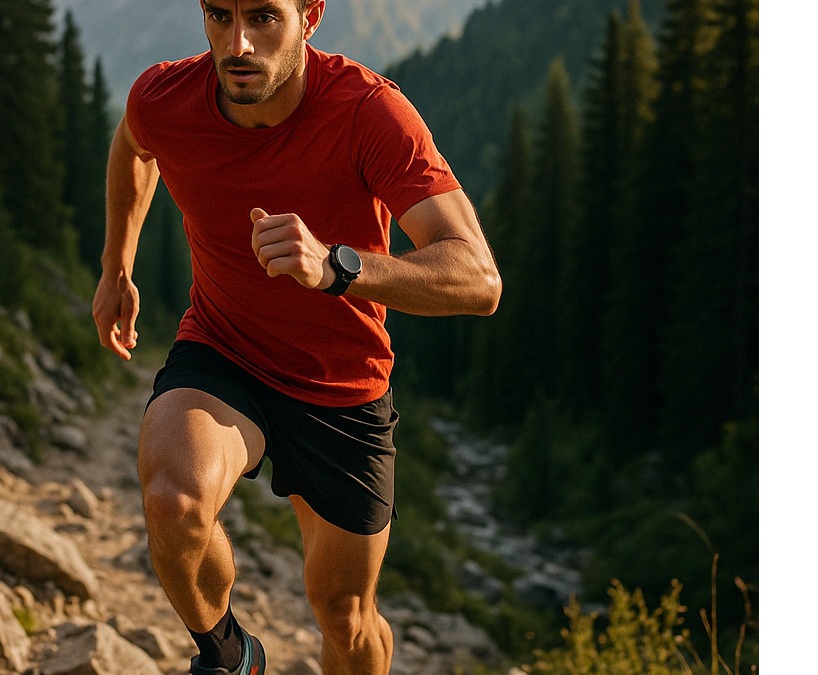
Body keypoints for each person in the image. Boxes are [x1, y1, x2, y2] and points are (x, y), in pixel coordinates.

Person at [92, 1, 501, 673]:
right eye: (219, 15)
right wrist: (116, 267)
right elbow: (135, 147)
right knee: (173, 500)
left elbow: (479, 278)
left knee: (344, 615)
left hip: (341, 388)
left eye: (263, 17)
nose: (238, 43)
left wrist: (337, 267)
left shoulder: (369, 112)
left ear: (310, 16)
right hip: (223, 349)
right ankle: (231, 656)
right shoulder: (165, 97)